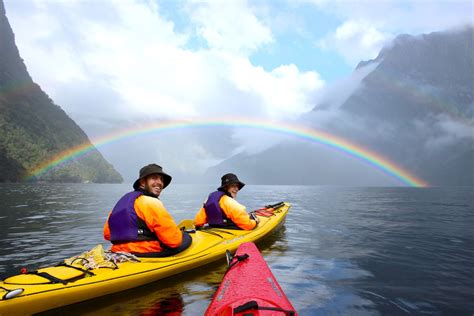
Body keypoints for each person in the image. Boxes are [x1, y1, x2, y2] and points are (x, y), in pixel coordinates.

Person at [103, 164, 191, 257]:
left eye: (161, 179)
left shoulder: (121, 203)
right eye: (154, 178)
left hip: (118, 251)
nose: (160, 182)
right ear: (142, 182)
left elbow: (107, 234)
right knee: (186, 237)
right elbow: (173, 241)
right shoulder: (152, 202)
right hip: (146, 252)